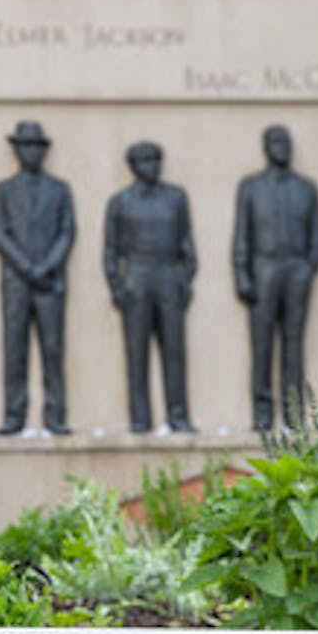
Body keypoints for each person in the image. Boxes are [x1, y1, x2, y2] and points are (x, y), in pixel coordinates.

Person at [231, 124, 318, 431]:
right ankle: (262, 414)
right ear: (266, 147)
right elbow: (241, 235)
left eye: (285, 142)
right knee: (261, 345)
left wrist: (308, 267)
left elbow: (317, 235)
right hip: (263, 269)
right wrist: (242, 275)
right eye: (275, 142)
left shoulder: (306, 188)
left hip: (296, 269)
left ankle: (293, 415)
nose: (282, 147)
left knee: (293, 345)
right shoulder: (251, 186)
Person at [103, 141, 197, 434]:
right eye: (143, 161)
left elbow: (187, 243)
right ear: (132, 166)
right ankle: (140, 418)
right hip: (137, 276)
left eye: (155, 159)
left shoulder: (175, 197)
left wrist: (185, 279)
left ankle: (178, 416)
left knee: (174, 350)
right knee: (137, 351)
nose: (150, 166)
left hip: (168, 273)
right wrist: (117, 286)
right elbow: (111, 250)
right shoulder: (121, 201)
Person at [0, 120, 74, 436]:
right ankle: (15, 414)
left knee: (53, 350)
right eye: (25, 146)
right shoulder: (4, 190)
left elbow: (67, 232)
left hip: (50, 283)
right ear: (15, 150)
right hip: (16, 281)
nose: (31, 153)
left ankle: (55, 415)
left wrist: (47, 267)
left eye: (36, 147)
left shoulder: (60, 189)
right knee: (15, 350)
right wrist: (27, 267)